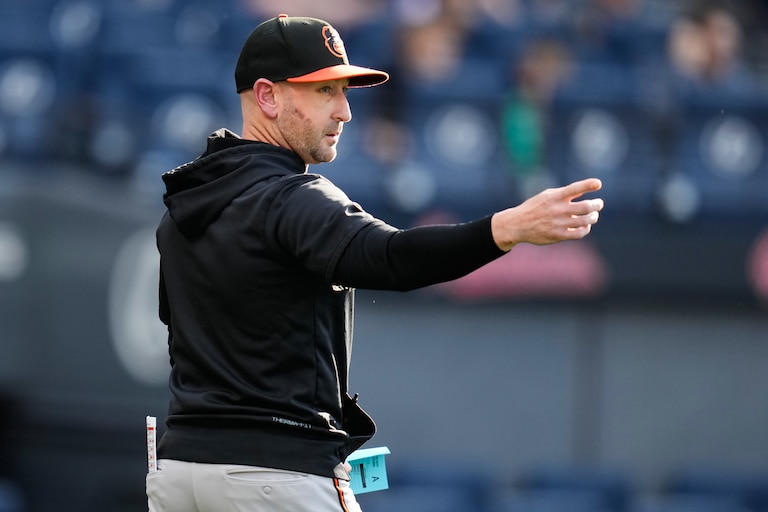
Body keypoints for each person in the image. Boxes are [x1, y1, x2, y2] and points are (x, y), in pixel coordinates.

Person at [146, 13, 604, 512]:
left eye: (345, 92)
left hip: (179, 472)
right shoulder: (290, 198)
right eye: (325, 92)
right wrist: (506, 229)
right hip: (274, 474)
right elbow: (391, 259)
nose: (344, 112)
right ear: (268, 96)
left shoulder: (184, 208)